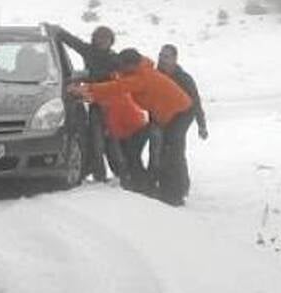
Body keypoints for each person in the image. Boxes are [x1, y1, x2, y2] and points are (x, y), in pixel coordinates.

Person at [71, 48, 194, 205]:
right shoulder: (138, 71)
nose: (120, 68)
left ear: (131, 65)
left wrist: (86, 90)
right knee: (165, 151)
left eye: (122, 65)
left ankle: (174, 195)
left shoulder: (141, 77)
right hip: (168, 115)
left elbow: (117, 87)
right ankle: (166, 189)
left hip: (180, 113)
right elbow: (117, 84)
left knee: (171, 152)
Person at [47, 23, 118, 181]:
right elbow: (72, 42)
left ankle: (120, 174)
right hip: (96, 104)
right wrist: (59, 31)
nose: (101, 42)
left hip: (113, 106)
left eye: (105, 39)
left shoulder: (115, 59)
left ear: (111, 41)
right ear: (94, 39)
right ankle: (100, 176)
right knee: (97, 141)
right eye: (99, 38)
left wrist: (86, 76)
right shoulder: (89, 51)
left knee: (114, 142)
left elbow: (115, 78)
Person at [155, 44, 208, 203]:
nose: (162, 60)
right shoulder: (156, 75)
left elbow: (196, 102)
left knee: (175, 147)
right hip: (165, 116)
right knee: (163, 149)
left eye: (166, 57)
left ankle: (178, 190)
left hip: (184, 115)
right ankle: (167, 187)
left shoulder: (184, 78)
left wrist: (202, 125)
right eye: (160, 56)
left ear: (174, 59)